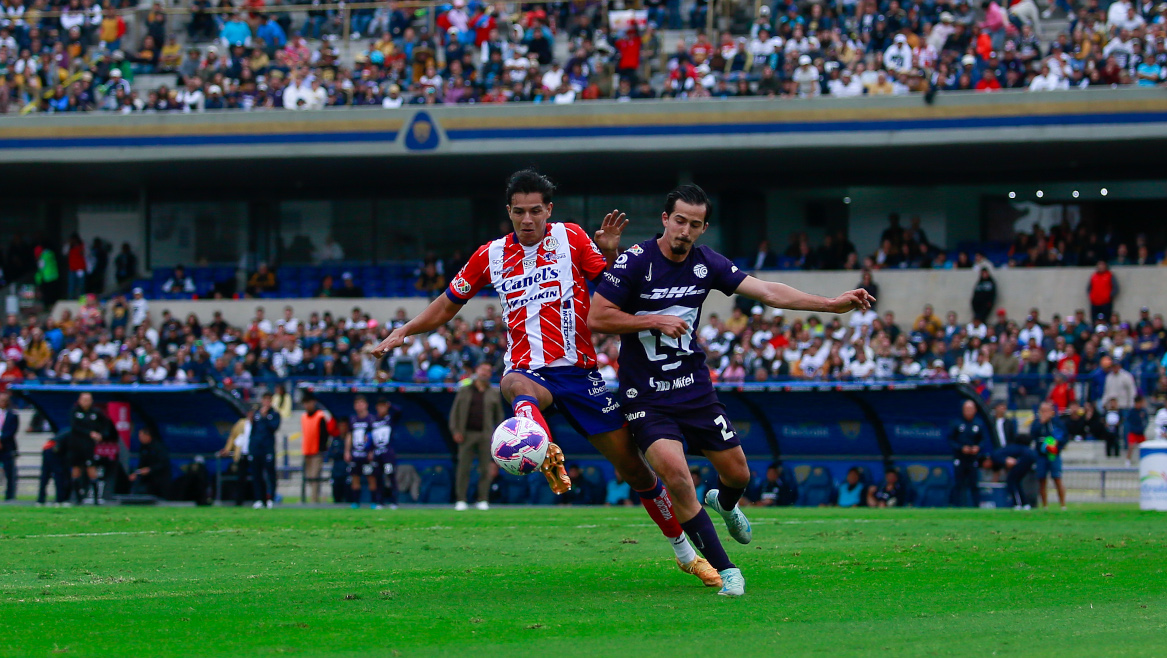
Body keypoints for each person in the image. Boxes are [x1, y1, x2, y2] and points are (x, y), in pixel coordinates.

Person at [372, 169, 716, 589]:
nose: (528, 219)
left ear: (548, 210)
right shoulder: (490, 255)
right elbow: (447, 305)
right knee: (516, 385)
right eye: (520, 212)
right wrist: (404, 330)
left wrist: (608, 254)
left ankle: (684, 552)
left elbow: (614, 292)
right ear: (509, 213)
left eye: (536, 210)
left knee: (637, 471)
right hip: (527, 368)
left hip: (580, 373)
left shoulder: (571, 238)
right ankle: (536, 438)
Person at [589, 183, 875, 596]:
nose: (685, 230)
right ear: (665, 220)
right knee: (678, 477)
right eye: (680, 221)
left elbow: (769, 291)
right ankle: (726, 569)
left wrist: (831, 304)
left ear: (704, 228)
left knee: (738, 473)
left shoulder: (708, 264)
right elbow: (598, 317)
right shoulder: (636, 261)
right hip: (645, 394)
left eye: (695, 224)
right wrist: (653, 321)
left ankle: (723, 503)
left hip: (693, 388)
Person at [449, 362, 505, 511]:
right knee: (463, 468)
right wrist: (455, 431)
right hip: (466, 434)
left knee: (485, 469)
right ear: (476, 370)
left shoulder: (494, 392)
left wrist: (498, 436)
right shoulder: (465, 390)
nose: (485, 373)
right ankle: (461, 499)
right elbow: (454, 413)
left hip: (485, 435)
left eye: (488, 370)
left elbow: (499, 416)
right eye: (483, 370)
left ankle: (483, 499)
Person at [65, 392, 109, 505]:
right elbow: (74, 427)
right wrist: (90, 433)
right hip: (75, 446)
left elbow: (105, 425)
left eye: (88, 399)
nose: (86, 402)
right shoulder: (75, 411)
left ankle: (96, 499)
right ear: (79, 400)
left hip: (89, 447)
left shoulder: (96, 412)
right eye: (84, 399)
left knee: (91, 470)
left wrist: (101, 434)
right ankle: (77, 498)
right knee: (76, 471)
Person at [949, 400, 988, 507]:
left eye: (971, 409)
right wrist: (961, 448)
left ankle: (976, 506)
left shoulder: (978, 423)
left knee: (974, 484)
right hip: (960, 458)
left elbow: (983, 440)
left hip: (973, 459)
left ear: (975, 410)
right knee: (958, 484)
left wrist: (978, 447)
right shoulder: (956, 423)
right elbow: (951, 440)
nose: (969, 412)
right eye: (967, 409)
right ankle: (956, 506)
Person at [1030, 401, 1068, 510]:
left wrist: (1058, 445)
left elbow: (1064, 436)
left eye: (1047, 411)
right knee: (1041, 479)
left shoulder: (1057, 423)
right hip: (1041, 455)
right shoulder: (1036, 423)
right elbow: (1033, 435)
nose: (1045, 413)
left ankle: (1062, 504)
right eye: (1043, 411)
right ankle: (1045, 505)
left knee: (1057, 478)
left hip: (1054, 455)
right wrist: (1041, 422)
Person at [344, 395, 379, 509]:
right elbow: (349, 436)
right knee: (355, 477)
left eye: (361, 403)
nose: (359, 406)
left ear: (366, 405)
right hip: (356, 454)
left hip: (366, 454)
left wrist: (372, 450)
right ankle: (355, 502)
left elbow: (374, 436)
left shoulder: (371, 419)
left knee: (371, 477)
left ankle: (374, 502)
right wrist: (347, 451)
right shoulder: (353, 419)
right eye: (357, 404)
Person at [981, 442, 1038, 509]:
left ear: (986, 461)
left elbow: (1011, 462)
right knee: (1016, 481)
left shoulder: (995, 456)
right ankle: (1025, 504)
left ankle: (1017, 504)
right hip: (1030, 455)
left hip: (1025, 456)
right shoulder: (996, 458)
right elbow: (996, 475)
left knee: (1011, 481)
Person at [249, 392, 281, 509]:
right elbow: (253, 432)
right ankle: (259, 499)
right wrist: (251, 448)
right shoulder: (256, 413)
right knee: (257, 475)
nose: (266, 402)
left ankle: (270, 498)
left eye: (269, 399)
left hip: (268, 448)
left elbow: (274, 428)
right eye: (265, 399)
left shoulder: (274, 414)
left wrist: (265, 417)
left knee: (270, 474)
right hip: (256, 448)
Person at [300, 392, 330, 503]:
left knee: (315, 476)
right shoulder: (303, 417)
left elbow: (324, 435)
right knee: (308, 477)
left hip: (317, 451)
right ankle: (310, 498)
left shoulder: (320, 416)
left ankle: (314, 499)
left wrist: (322, 449)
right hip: (307, 450)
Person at [371, 397, 400, 509]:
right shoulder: (373, 419)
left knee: (390, 476)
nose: (382, 408)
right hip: (377, 454)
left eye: (384, 406)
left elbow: (399, 410)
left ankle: (394, 501)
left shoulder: (390, 418)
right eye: (380, 406)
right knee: (378, 477)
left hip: (388, 454)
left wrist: (390, 405)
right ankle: (380, 501)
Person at [219, 414, 253, 506]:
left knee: (257, 478)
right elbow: (233, 437)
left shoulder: (259, 423)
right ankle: (239, 501)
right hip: (242, 454)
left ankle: (259, 499)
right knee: (241, 478)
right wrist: (227, 450)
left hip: (254, 454)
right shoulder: (241, 424)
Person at [129, 426, 171, 498]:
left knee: (162, 498)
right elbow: (142, 463)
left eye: (141, 436)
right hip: (149, 480)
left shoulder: (158, 447)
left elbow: (164, 463)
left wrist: (150, 469)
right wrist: (136, 473)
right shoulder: (143, 447)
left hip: (161, 478)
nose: (140, 438)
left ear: (148, 436)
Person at [0, 392, 17, 500]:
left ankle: (9, 496)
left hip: (7, 447)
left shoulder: (13, 415)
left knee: (10, 472)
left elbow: (12, 431)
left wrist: (1, 440)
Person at [1125, 396, 1148, 467]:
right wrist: (1133, 428)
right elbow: (1128, 421)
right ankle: (1128, 460)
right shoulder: (1131, 411)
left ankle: (1144, 460)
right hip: (1133, 432)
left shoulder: (1143, 411)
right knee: (1131, 446)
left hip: (1140, 433)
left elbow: (1146, 421)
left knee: (1144, 447)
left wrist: (1142, 428)